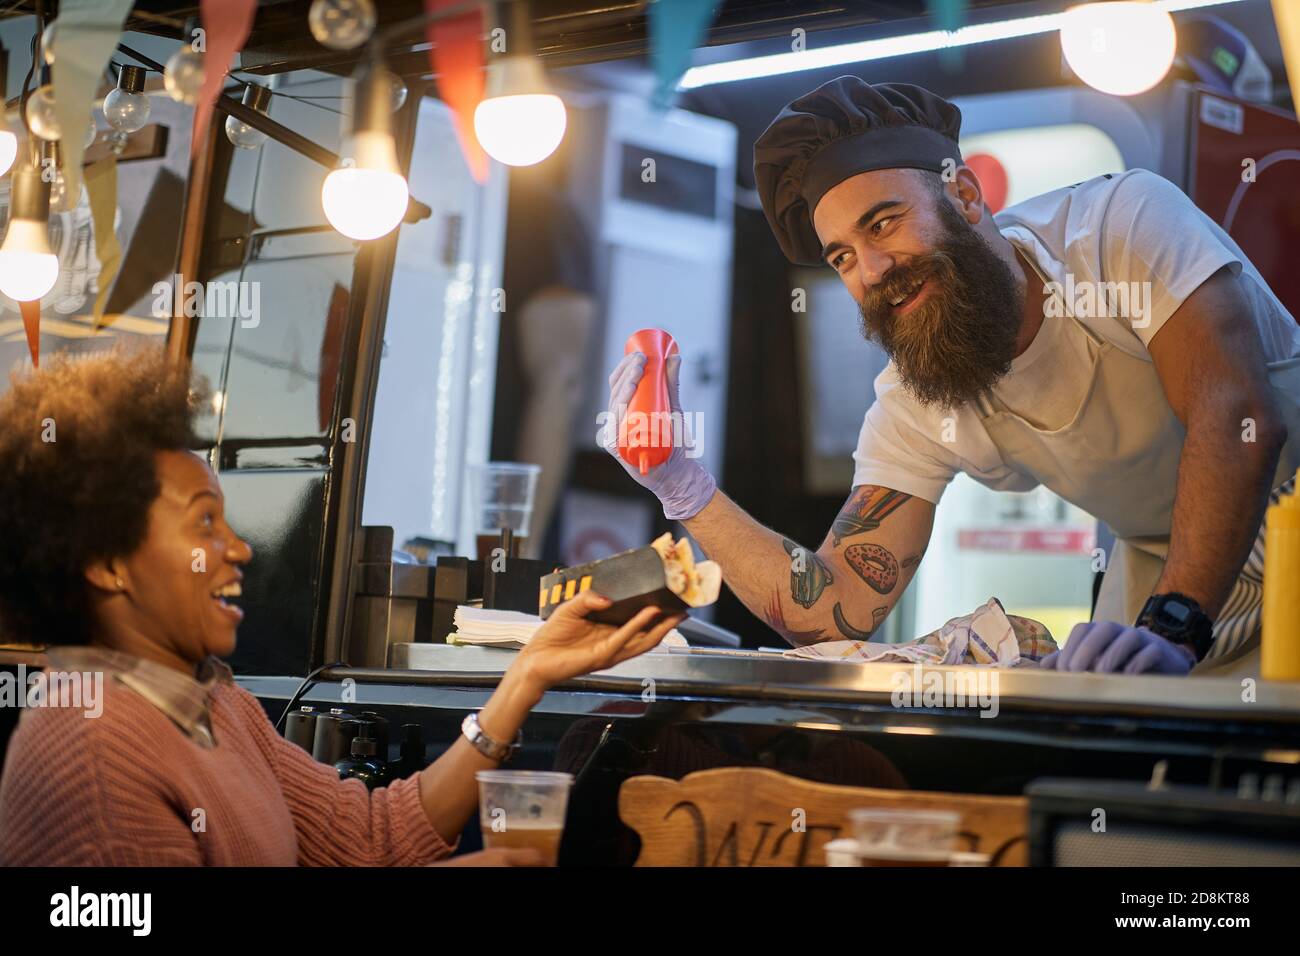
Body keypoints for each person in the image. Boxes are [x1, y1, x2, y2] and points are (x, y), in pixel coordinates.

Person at [603, 77, 1300, 676]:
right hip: (1162, 577)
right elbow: (832, 612)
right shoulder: (915, 399)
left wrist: (1174, 623)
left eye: (884, 223)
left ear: (964, 195)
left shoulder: (1118, 226)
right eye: (842, 256)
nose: (871, 270)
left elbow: (1237, 419)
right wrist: (681, 485)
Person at [0, 348, 683, 865]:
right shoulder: (89, 751)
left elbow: (368, 837)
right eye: (204, 523)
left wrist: (527, 675)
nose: (238, 549)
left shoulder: (215, 703)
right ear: (106, 562)